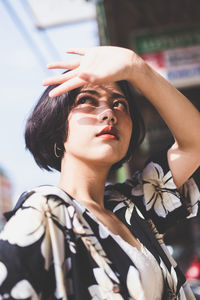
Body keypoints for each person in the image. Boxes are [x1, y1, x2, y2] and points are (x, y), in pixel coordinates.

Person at [0, 46, 199, 300]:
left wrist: (137, 67)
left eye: (119, 104)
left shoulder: (133, 207)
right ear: (58, 127)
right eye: (86, 100)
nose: (108, 113)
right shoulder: (45, 214)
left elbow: (194, 143)